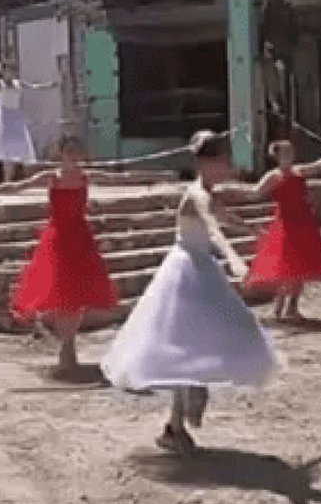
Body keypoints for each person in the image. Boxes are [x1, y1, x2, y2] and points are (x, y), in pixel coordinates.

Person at [100, 130, 281, 454]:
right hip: (187, 272)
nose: (227, 167)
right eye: (222, 161)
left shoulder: (209, 193)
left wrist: (251, 229)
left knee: (207, 338)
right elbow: (212, 226)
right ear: (206, 163)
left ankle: (177, 421)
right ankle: (179, 418)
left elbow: (223, 216)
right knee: (186, 346)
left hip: (201, 268)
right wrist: (234, 257)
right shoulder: (197, 194)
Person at [0, 135, 116, 380]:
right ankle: (66, 347)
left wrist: (159, 176)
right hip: (58, 240)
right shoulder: (51, 177)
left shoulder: (86, 177)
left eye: (77, 152)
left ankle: (68, 346)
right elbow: (19, 186)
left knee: (78, 295)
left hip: (80, 239)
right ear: (60, 154)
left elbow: (119, 178)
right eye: (69, 152)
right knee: (60, 294)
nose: (73, 156)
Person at [231, 139, 321, 322]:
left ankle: (293, 307)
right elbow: (255, 192)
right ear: (278, 156)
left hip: (304, 223)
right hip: (286, 225)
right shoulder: (273, 176)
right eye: (286, 152)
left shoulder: (299, 170)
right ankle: (278, 306)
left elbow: (319, 165)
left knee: (302, 265)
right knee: (286, 265)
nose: (290, 155)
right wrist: (230, 189)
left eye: (291, 151)